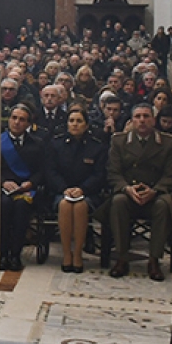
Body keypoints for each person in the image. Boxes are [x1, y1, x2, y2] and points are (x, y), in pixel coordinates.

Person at [105, 102, 172, 280]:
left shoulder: (168, 142)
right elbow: (113, 172)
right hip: (128, 193)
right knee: (117, 202)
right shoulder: (119, 141)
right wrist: (127, 188)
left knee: (164, 205)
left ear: (153, 120)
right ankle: (122, 257)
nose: (142, 121)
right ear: (131, 120)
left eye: (146, 116)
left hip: (155, 194)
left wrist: (155, 190)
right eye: (138, 117)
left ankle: (154, 260)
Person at [45, 107, 108, 273]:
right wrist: (64, 189)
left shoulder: (97, 146)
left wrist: (83, 189)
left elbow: (99, 174)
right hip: (61, 192)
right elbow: (50, 171)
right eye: (71, 121)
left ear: (86, 125)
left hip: (88, 193)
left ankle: (78, 254)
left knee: (80, 206)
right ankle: (67, 254)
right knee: (65, 205)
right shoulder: (56, 144)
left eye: (79, 121)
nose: (75, 124)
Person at [0, 104, 48, 271]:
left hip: (28, 190)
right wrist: (3, 181)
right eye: (14, 118)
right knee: (4, 205)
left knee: (21, 206)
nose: (17, 122)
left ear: (28, 124)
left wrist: (31, 183)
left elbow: (42, 170)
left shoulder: (38, 144)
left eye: (22, 120)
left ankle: (15, 254)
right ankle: (2, 253)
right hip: (4, 190)